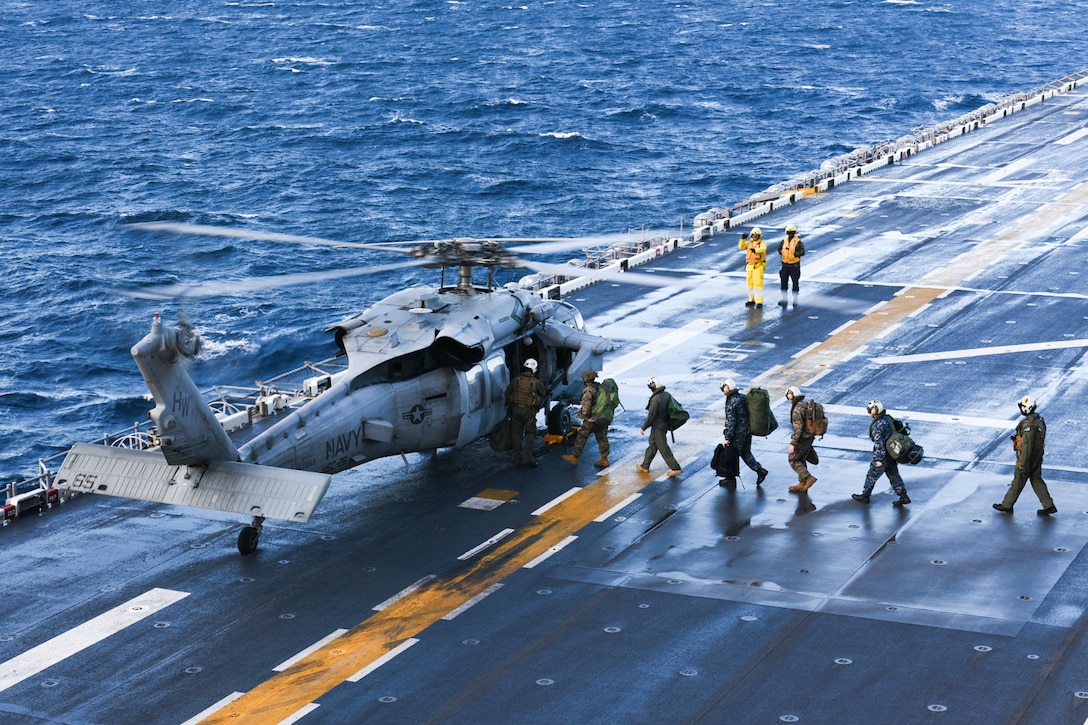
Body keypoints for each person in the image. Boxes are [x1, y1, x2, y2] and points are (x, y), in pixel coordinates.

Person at [993, 396, 1056, 515]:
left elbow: (1027, 446)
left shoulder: (1028, 426)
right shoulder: (1039, 420)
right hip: (1037, 457)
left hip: (1027, 458)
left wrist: (1022, 463)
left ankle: (1007, 505)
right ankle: (1049, 505)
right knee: (1036, 480)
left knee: (1018, 481)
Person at [852, 400, 910, 506]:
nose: (869, 412)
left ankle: (865, 495)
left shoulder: (877, 425)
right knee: (894, 475)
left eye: (870, 410)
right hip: (892, 454)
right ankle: (903, 496)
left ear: (875, 410)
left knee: (871, 475)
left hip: (883, 455)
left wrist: (879, 459)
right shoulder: (887, 418)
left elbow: (880, 443)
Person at [720, 379, 769, 487]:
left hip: (738, 433)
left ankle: (730, 479)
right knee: (745, 452)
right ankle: (759, 470)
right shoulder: (741, 397)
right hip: (747, 430)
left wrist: (727, 437)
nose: (723, 390)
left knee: (731, 454)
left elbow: (731, 421)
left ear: (727, 388)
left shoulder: (732, 402)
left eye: (724, 387)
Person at [562, 369, 611, 468]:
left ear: (585, 379)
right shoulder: (600, 387)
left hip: (591, 419)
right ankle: (604, 459)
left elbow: (587, 407)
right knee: (602, 438)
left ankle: (575, 457)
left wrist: (584, 416)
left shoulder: (588, 391)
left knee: (582, 436)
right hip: (601, 417)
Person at [505, 358, 546, 468]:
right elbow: (543, 392)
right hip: (529, 412)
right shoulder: (536, 382)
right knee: (530, 434)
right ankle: (527, 458)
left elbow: (507, 393)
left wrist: (511, 407)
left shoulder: (516, 380)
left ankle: (517, 459)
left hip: (516, 411)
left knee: (516, 435)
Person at [637, 377, 682, 476]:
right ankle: (645, 465)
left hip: (658, 426)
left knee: (663, 448)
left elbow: (651, 415)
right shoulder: (666, 395)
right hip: (664, 424)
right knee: (652, 445)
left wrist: (644, 427)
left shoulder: (655, 398)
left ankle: (675, 468)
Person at [785, 386, 817, 492]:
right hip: (809, 437)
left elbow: (798, 428)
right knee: (801, 459)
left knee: (793, 460)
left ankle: (808, 478)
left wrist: (793, 443)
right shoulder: (805, 404)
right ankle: (802, 483)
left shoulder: (797, 409)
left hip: (802, 439)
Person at [777, 224, 806, 308]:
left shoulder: (798, 242)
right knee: (783, 283)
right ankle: (784, 299)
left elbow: (802, 251)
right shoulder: (784, 241)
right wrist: (783, 254)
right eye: (789, 233)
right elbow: (779, 249)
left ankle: (795, 299)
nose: (790, 234)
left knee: (795, 283)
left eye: (792, 233)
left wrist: (794, 254)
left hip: (794, 266)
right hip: (785, 265)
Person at [739, 228, 767, 309]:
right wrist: (742, 239)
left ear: (759, 236)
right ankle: (751, 299)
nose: (754, 237)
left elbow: (763, 249)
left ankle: (759, 301)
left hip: (758, 266)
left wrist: (756, 250)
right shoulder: (749, 243)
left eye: (756, 236)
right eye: (753, 235)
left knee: (758, 284)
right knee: (749, 284)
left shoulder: (762, 243)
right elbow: (741, 246)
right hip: (749, 266)